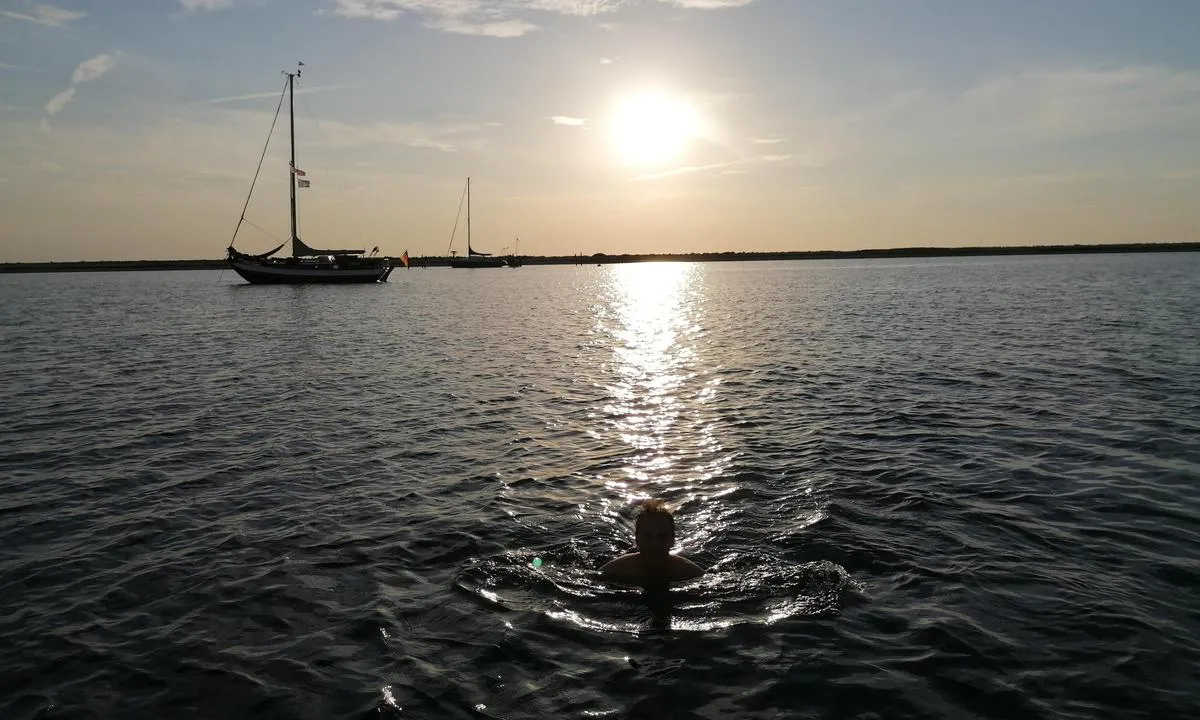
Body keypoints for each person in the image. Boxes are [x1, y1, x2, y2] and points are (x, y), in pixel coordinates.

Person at [600, 499, 705, 586]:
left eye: (662, 536)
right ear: (637, 539)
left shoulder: (692, 573)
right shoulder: (614, 570)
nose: (655, 544)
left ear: (672, 540)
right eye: (647, 536)